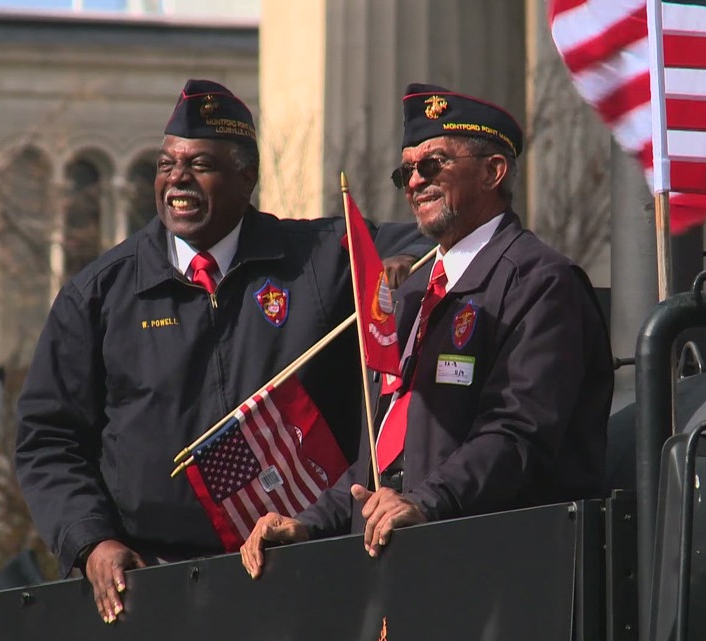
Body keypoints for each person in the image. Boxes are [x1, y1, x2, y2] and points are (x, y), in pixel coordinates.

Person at [14, 79, 426, 623]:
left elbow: (429, 241)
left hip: (306, 566)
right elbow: (48, 438)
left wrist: (398, 268)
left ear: (246, 177)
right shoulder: (99, 294)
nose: (176, 179)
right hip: (159, 583)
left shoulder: (317, 259)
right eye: (166, 164)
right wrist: (91, 543)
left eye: (199, 164)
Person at [241, 83, 614, 578]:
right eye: (407, 170)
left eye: (433, 163)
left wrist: (425, 503)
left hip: (497, 569)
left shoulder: (540, 281)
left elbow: (517, 434)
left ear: (492, 171)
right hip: (399, 566)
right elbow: (380, 460)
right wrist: (307, 524)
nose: (414, 181)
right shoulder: (413, 290)